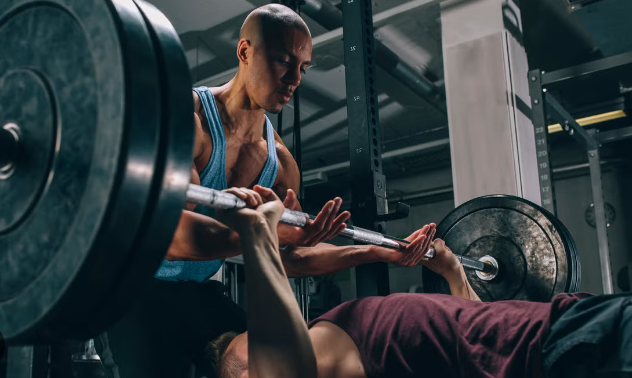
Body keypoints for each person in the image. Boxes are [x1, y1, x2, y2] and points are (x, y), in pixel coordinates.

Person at [97, 5, 435, 378]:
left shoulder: (281, 165)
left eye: (303, 67)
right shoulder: (187, 118)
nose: (294, 78)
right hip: (132, 291)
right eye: (282, 61)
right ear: (245, 52)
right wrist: (259, 235)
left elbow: (290, 258)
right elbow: (171, 235)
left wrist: (376, 252)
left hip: (198, 293)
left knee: (280, 365)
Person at [210, 186, 632, 378]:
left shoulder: (327, 339)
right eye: (246, 340)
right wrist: (257, 235)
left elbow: (473, 328)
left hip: (548, 337)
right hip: (554, 347)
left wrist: (452, 272)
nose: (258, 329)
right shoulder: (313, 360)